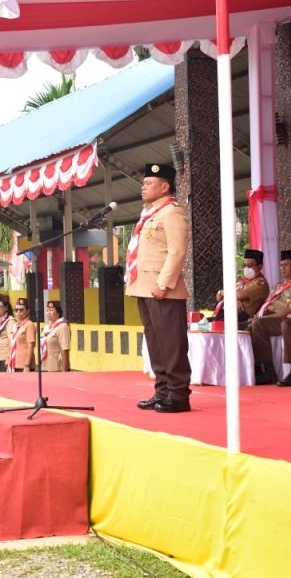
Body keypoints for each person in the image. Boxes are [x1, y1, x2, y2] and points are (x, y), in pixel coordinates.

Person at [126, 163, 192, 413]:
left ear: (165, 186)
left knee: (171, 343)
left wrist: (164, 283)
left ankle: (178, 395)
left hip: (162, 288)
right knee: (155, 343)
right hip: (143, 287)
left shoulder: (171, 212)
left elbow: (177, 251)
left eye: (149, 183)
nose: (143, 187)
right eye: (143, 183)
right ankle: (162, 391)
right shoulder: (149, 213)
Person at [248, 250, 291, 385]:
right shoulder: (279, 286)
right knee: (241, 326)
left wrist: (262, 319)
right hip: (267, 316)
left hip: (284, 318)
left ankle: (268, 370)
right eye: (280, 265)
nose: (282, 268)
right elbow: (267, 303)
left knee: (258, 325)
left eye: (286, 265)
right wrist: (259, 315)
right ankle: (253, 368)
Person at [211, 249, 270, 328]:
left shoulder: (260, 283)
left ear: (260, 267)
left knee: (217, 327)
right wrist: (230, 296)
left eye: (250, 266)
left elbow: (239, 295)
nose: (246, 268)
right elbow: (219, 297)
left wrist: (228, 294)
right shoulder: (241, 280)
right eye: (244, 265)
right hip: (227, 312)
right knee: (204, 324)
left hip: (243, 317)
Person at [40, 300, 70, 372]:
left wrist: (64, 371)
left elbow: (65, 349)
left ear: (58, 312)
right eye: (47, 310)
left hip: (57, 368)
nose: (48, 313)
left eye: (51, 310)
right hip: (46, 366)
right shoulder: (47, 327)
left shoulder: (62, 327)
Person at [8, 297, 35, 372]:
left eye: (21, 310)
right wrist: (8, 360)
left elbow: (31, 346)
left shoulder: (29, 325)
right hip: (13, 362)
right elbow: (11, 344)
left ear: (27, 311)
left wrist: (27, 365)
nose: (18, 312)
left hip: (24, 364)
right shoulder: (15, 325)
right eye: (16, 310)